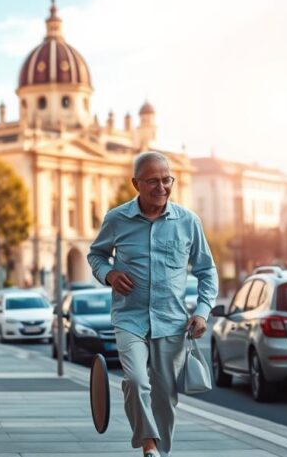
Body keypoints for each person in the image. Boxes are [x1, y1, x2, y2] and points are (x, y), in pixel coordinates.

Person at [88, 151, 219, 457]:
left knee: (165, 396)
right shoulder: (116, 219)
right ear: (136, 183)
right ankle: (148, 445)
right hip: (129, 318)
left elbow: (207, 271)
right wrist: (109, 274)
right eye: (152, 181)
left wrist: (202, 312)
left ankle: (160, 452)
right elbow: (96, 255)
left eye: (166, 180)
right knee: (135, 381)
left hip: (171, 322)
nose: (161, 187)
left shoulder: (188, 222)